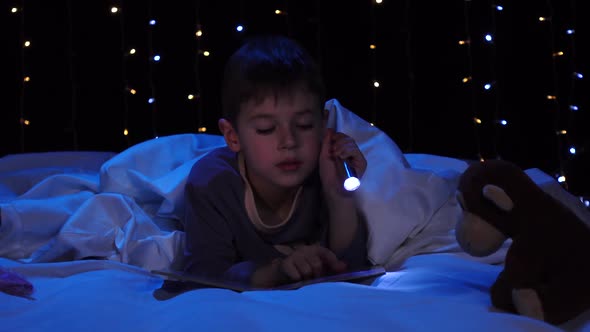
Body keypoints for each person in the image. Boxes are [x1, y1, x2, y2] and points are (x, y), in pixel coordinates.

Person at [182, 34, 369, 288]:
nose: (289, 141)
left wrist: (339, 195)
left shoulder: (323, 173)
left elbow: (352, 270)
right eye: (266, 129)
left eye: (303, 125)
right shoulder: (212, 183)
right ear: (233, 136)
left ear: (323, 124)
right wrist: (277, 272)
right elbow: (201, 278)